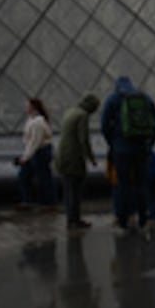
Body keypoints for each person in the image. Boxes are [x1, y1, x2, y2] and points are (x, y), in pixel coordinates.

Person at [100, 76, 155, 231]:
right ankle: (143, 217)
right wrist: (149, 143)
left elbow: (104, 125)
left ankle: (123, 220)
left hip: (121, 149)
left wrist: (113, 143)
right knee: (141, 184)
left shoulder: (113, 99)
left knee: (123, 184)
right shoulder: (144, 98)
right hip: (141, 148)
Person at [54, 93, 100, 230]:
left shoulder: (70, 112)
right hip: (73, 157)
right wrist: (91, 158)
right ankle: (74, 220)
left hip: (62, 155)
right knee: (75, 190)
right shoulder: (82, 116)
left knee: (68, 189)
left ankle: (71, 219)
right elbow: (83, 139)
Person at [16, 97, 56, 208]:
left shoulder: (38, 122)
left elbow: (35, 142)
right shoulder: (32, 119)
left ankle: (47, 202)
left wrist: (25, 157)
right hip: (36, 151)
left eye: (27, 106)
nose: (25, 108)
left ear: (33, 107)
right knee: (25, 176)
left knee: (43, 178)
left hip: (40, 152)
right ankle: (29, 200)